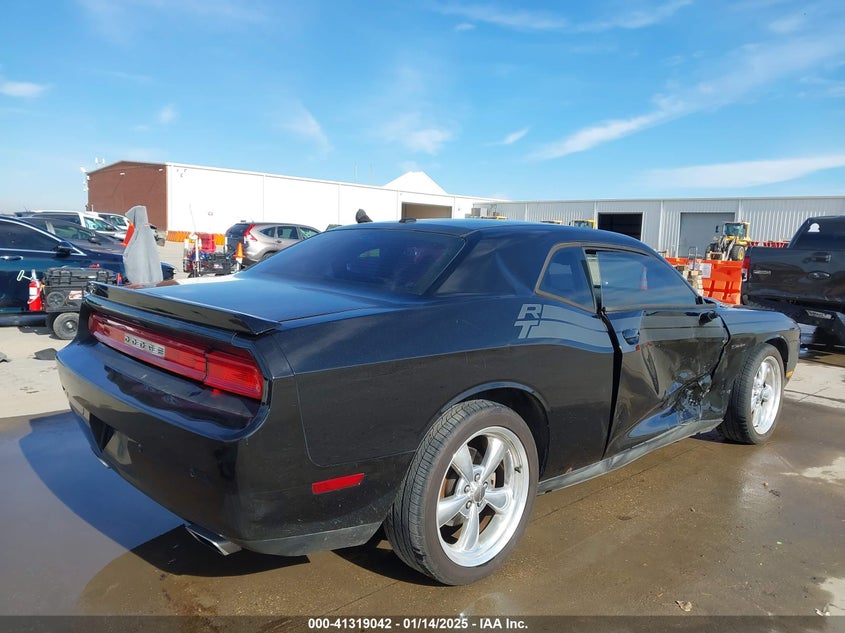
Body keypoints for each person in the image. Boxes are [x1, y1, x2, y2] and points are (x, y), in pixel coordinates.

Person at [122, 205, 163, 285]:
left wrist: (126, 257)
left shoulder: (139, 232)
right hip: (153, 279)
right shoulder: (147, 231)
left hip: (140, 281)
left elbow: (133, 254)